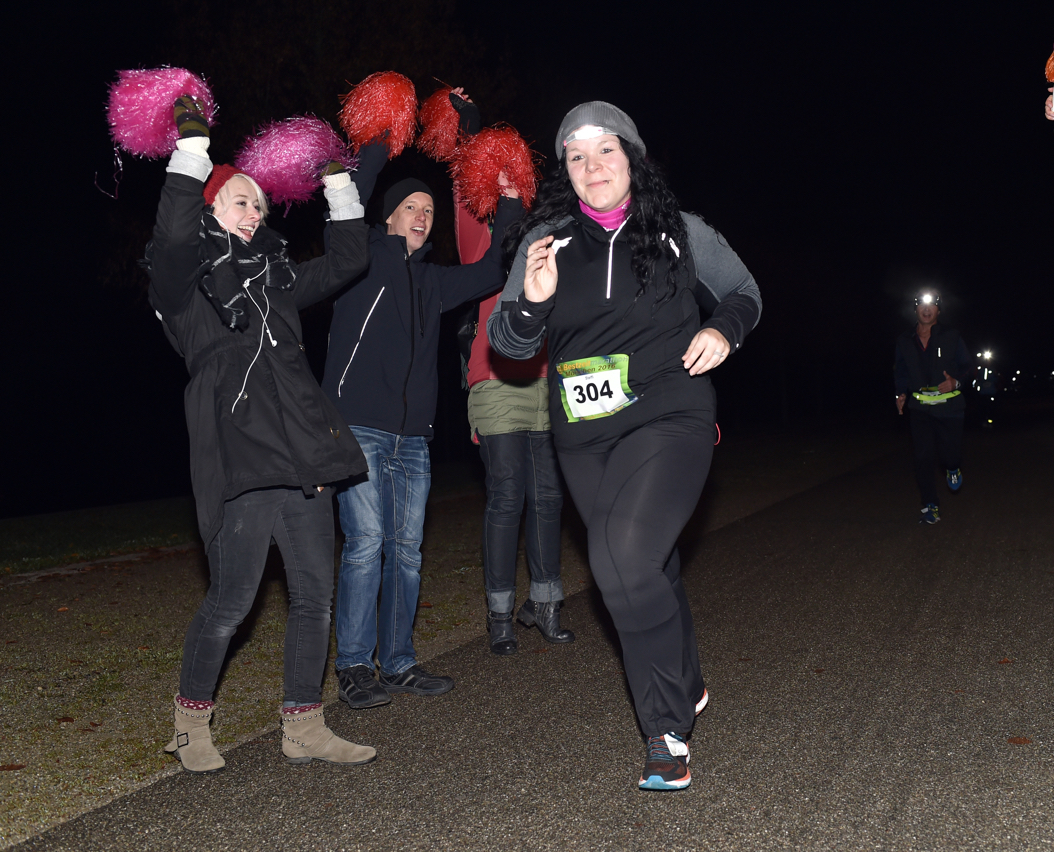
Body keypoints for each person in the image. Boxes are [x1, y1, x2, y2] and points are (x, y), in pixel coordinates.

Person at [488, 101, 761, 790]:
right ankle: (686, 677)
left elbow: (744, 291)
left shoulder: (680, 233)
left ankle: (665, 730)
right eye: (577, 158)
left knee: (620, 559)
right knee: (647, 566)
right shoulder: (545, 243)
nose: (592, 167)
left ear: (632, 157)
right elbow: (508, 346)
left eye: (604, 151)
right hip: (583, 435)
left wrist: (723, 330)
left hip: (671, 412)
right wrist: (530, 301)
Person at [146, 96, 375, 772]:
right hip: (241, 456)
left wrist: (335, 178)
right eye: (243, 202)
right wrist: (193, 151)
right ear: (212, 205)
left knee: (315, 596)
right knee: (232, 601)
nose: (256, 214)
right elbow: (173, 234)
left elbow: (348, 259)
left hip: (304, 449)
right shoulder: (182, 287)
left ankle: (304, 726)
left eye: (261, 207)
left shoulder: (277, 282)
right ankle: (191, 727)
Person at [322, 89, 524, 709]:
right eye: (411, 205)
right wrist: (387, 130)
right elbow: (355, 187)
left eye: (429, 209)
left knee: (405, 552)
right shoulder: (355, 260)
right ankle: (355, 667)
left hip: (414, 438)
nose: (422, 214)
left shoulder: (434, 282)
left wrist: (510, 198)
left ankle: (400, 662)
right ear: (386, 217)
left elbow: (492, 269)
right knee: (365, 547)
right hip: (357, 428)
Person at [465, 290, 574, 654]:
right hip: (495, 378)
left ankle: (544, 604)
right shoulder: (485, 233)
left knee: (548, 497)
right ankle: (499, 616)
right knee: (507, 495)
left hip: (545, 377)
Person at [894, 289, 973, 525]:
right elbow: (900, 371)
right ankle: (930, 506)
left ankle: (952, 467)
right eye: (921, 305)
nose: (926, 309)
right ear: (915, 309)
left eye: (932, 305)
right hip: (920, 409)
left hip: (950, 408)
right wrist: (900, 393)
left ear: (938, 310)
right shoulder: (904, 341)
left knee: (950, 454)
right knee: (923, 457)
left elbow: (969, 368)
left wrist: (955, 381)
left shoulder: (952, 336)